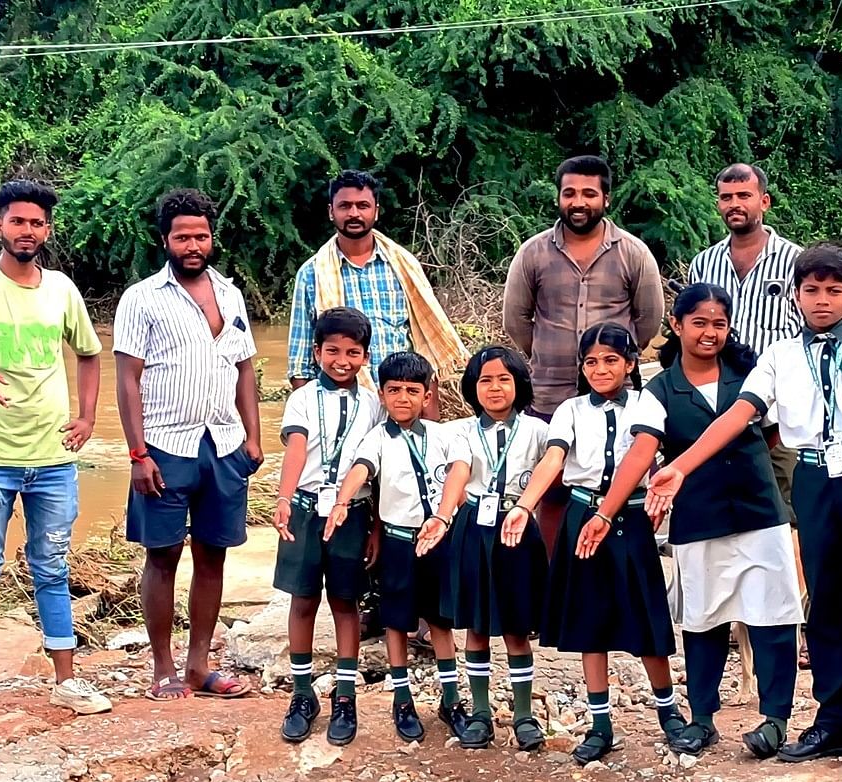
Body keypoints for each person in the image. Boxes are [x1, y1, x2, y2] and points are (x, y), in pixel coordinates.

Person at [648, 245, 842, 772]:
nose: (823, 301)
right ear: (795, 296)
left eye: (835, 290)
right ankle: (833, 721)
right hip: (813, 478)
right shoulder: (779, 358)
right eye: (811, 290)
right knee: (826, 604)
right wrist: (681, 466)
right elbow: (740, 414)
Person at [590, 284, 802, 757]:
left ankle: (775, 719)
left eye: (719, 324)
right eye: (700, 323)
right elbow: (642, 450)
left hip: (759, 513)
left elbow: (772, 437)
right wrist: (606, 512)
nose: (710, 333)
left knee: (773, 615)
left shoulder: (747, 374)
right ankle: (703, 718)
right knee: (703, 620)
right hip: (699, 520)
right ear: (677, 326)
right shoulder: (660, 390)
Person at [0, 180, 110, 728]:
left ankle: (66, 680)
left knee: (52, 567)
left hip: (53, 459)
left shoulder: (62, 291)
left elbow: (89, 353)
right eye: (17, 221)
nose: (26, 231)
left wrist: (87, 417)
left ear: (46, 231)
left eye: (36, 223)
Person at [502, 322, 683, 765]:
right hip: (582, 516)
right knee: (590, 619)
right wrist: (525, 505)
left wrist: (609, 512)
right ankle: (601, 725)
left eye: (610, 360)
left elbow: (642, 451)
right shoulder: (570, 410)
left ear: (630, 363)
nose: (600, 369)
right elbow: (554, 458)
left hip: (630, 517)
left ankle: (669, 712)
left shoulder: (647, 403)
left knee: (645, 616)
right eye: (591, 362)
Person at [115, 188, 265, 702]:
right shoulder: (142, 298)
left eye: (201, 235)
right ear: (165, 240)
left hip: (222, 444)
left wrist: (254, 435)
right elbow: (127, 380)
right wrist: (138, 453)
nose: (193, 244)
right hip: (165, 444)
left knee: (213, 554)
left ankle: (200, 665)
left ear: (212, 237)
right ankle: (162, 669)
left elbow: (244, 368)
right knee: (162, 556)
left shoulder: (230, 293)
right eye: (183, 236)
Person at [417, 347, 551, 750]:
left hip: (517, 528)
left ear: (519, 384)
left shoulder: (538, 431)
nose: (495, 388)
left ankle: (524, 715)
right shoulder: (462, 431)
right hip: (474, 530)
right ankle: (479, 713)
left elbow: (552, 470)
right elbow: (459, 473)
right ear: (473, 388)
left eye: (503, 379)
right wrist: (442, 517)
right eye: (485, 380)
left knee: (514, 627)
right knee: (476, 626)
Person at [324, 352, 463, 741]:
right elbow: (361, 468)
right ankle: (402, 700)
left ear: (428, 394)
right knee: (396, 622)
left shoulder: (444, 435)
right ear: (382, 395)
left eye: (412, 391)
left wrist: (446, 514)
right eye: (394, 390)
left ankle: (450, 699)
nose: (403, 398)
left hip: (438, 539)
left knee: (440, 620)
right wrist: (341, 501)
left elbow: (459, 471)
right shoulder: (377, 438)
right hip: (400, 544)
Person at [273, 308, 384, 745]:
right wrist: (282, 499)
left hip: (352, 512)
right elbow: (297, 449)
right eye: (332, 350)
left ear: (365, 356)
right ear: (316, 351)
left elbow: (375, 467)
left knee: (345, 602)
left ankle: (345, 695)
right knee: (302, 600)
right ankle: (302, 694)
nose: (342, 360)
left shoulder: (373, 403)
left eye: (353, 352)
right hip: (304, 507)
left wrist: (374, 526)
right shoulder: (301, 399)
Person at [285, 170, 467, 411]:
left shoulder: (404, 266)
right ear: (331, 212)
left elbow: (425, 349)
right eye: (345, 206)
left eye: (362, 205)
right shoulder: (312, 274)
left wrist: (428, 426)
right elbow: (300, 362)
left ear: (376, 211)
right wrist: (310, 419)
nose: (353, 213)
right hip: (341, 407)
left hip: (401, 403)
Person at [503, 155, 667, 420]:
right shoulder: (532, 253)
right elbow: (515, 319)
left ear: (606, 199)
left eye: (589, 194)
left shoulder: (633, 253)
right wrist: (548, 353)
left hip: (615, 398)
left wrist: (618, 352)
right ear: (559, 197)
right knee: (549, 462)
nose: (578, 203)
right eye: (569, 194)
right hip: (549, 398)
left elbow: (648, 319)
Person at [686, 163, 806, 517]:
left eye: (744, 196)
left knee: (785, 515)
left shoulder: (795, 262)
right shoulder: (703, 265)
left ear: (764, 201)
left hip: (779, 418)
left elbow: (809, 339)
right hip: (718, 413)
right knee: (725, 518)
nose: (734, 204)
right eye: (726, 197)